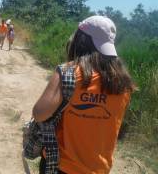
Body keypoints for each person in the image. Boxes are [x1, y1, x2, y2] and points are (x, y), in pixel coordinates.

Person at [32, 16, 135, 174]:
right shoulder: (124, 83)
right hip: (99, 168)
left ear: (80, 41)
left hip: (60, 165)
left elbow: (39, 114)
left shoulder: (69, 72)